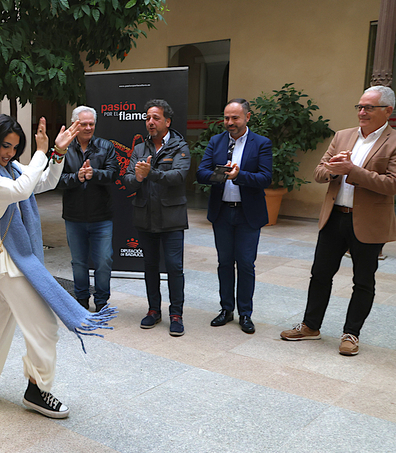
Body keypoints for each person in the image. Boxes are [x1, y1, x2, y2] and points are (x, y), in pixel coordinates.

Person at [0, 114, 114, 419]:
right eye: (4, 145)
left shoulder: (9, 169)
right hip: (5, 257)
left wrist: (58, 154)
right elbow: (21, 191)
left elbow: (45, 181)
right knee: (44, 326)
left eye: (14, 147)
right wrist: (42, 151)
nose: (10, 152)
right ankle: (36, 391)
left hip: (9, 252)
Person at [281, 85, 396, 356]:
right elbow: (319, 172)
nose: (362, 112)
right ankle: (310, 326)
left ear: (388, 111)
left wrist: (353, 171)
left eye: (369, 107)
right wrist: (333, 171)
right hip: (334, 217)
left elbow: (392, 184)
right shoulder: (343, 136)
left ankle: (351, 334)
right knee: (320, 274)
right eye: (360, 106)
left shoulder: (393, 141)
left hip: (368, 222)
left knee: (363, 281)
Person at [196, 99, 273, 334]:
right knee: (225, 264)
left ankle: (245, 314)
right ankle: (226, 309)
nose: (230, 123)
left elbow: (265, 178)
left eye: (235, 118)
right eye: (227, 118)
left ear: (247, 117)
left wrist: (239, 176)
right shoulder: (216, 141)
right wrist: (222, 175)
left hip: (248, 215)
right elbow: (201, 173)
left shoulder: (261, 143)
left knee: (246, 265)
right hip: (222, 214)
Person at [123, 99, 190, 337]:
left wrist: (151, 173)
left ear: (167, 122)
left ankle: (176, 314)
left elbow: (178, 176)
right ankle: (153, 310)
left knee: (174, 267)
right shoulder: (140, 148)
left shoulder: (180, 147)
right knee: (150, 266)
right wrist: (139, 178)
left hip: (172, 218)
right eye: (148, 118)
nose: (150, 122)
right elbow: (128, 179)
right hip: (146, 216)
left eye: (156, 118)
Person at [56, 105, 119, 312]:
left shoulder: (105, 146)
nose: (88, 127)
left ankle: (101, 301)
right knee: (79, 262)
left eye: (91, 124)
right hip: (74, 216)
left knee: (103, 261)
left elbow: (113, 173)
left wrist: (94, 174)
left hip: (101, 216)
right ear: (76, 124)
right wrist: (77, 177)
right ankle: (81, 300)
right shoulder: (64, 148)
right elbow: (56, 180)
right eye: (84, 124)